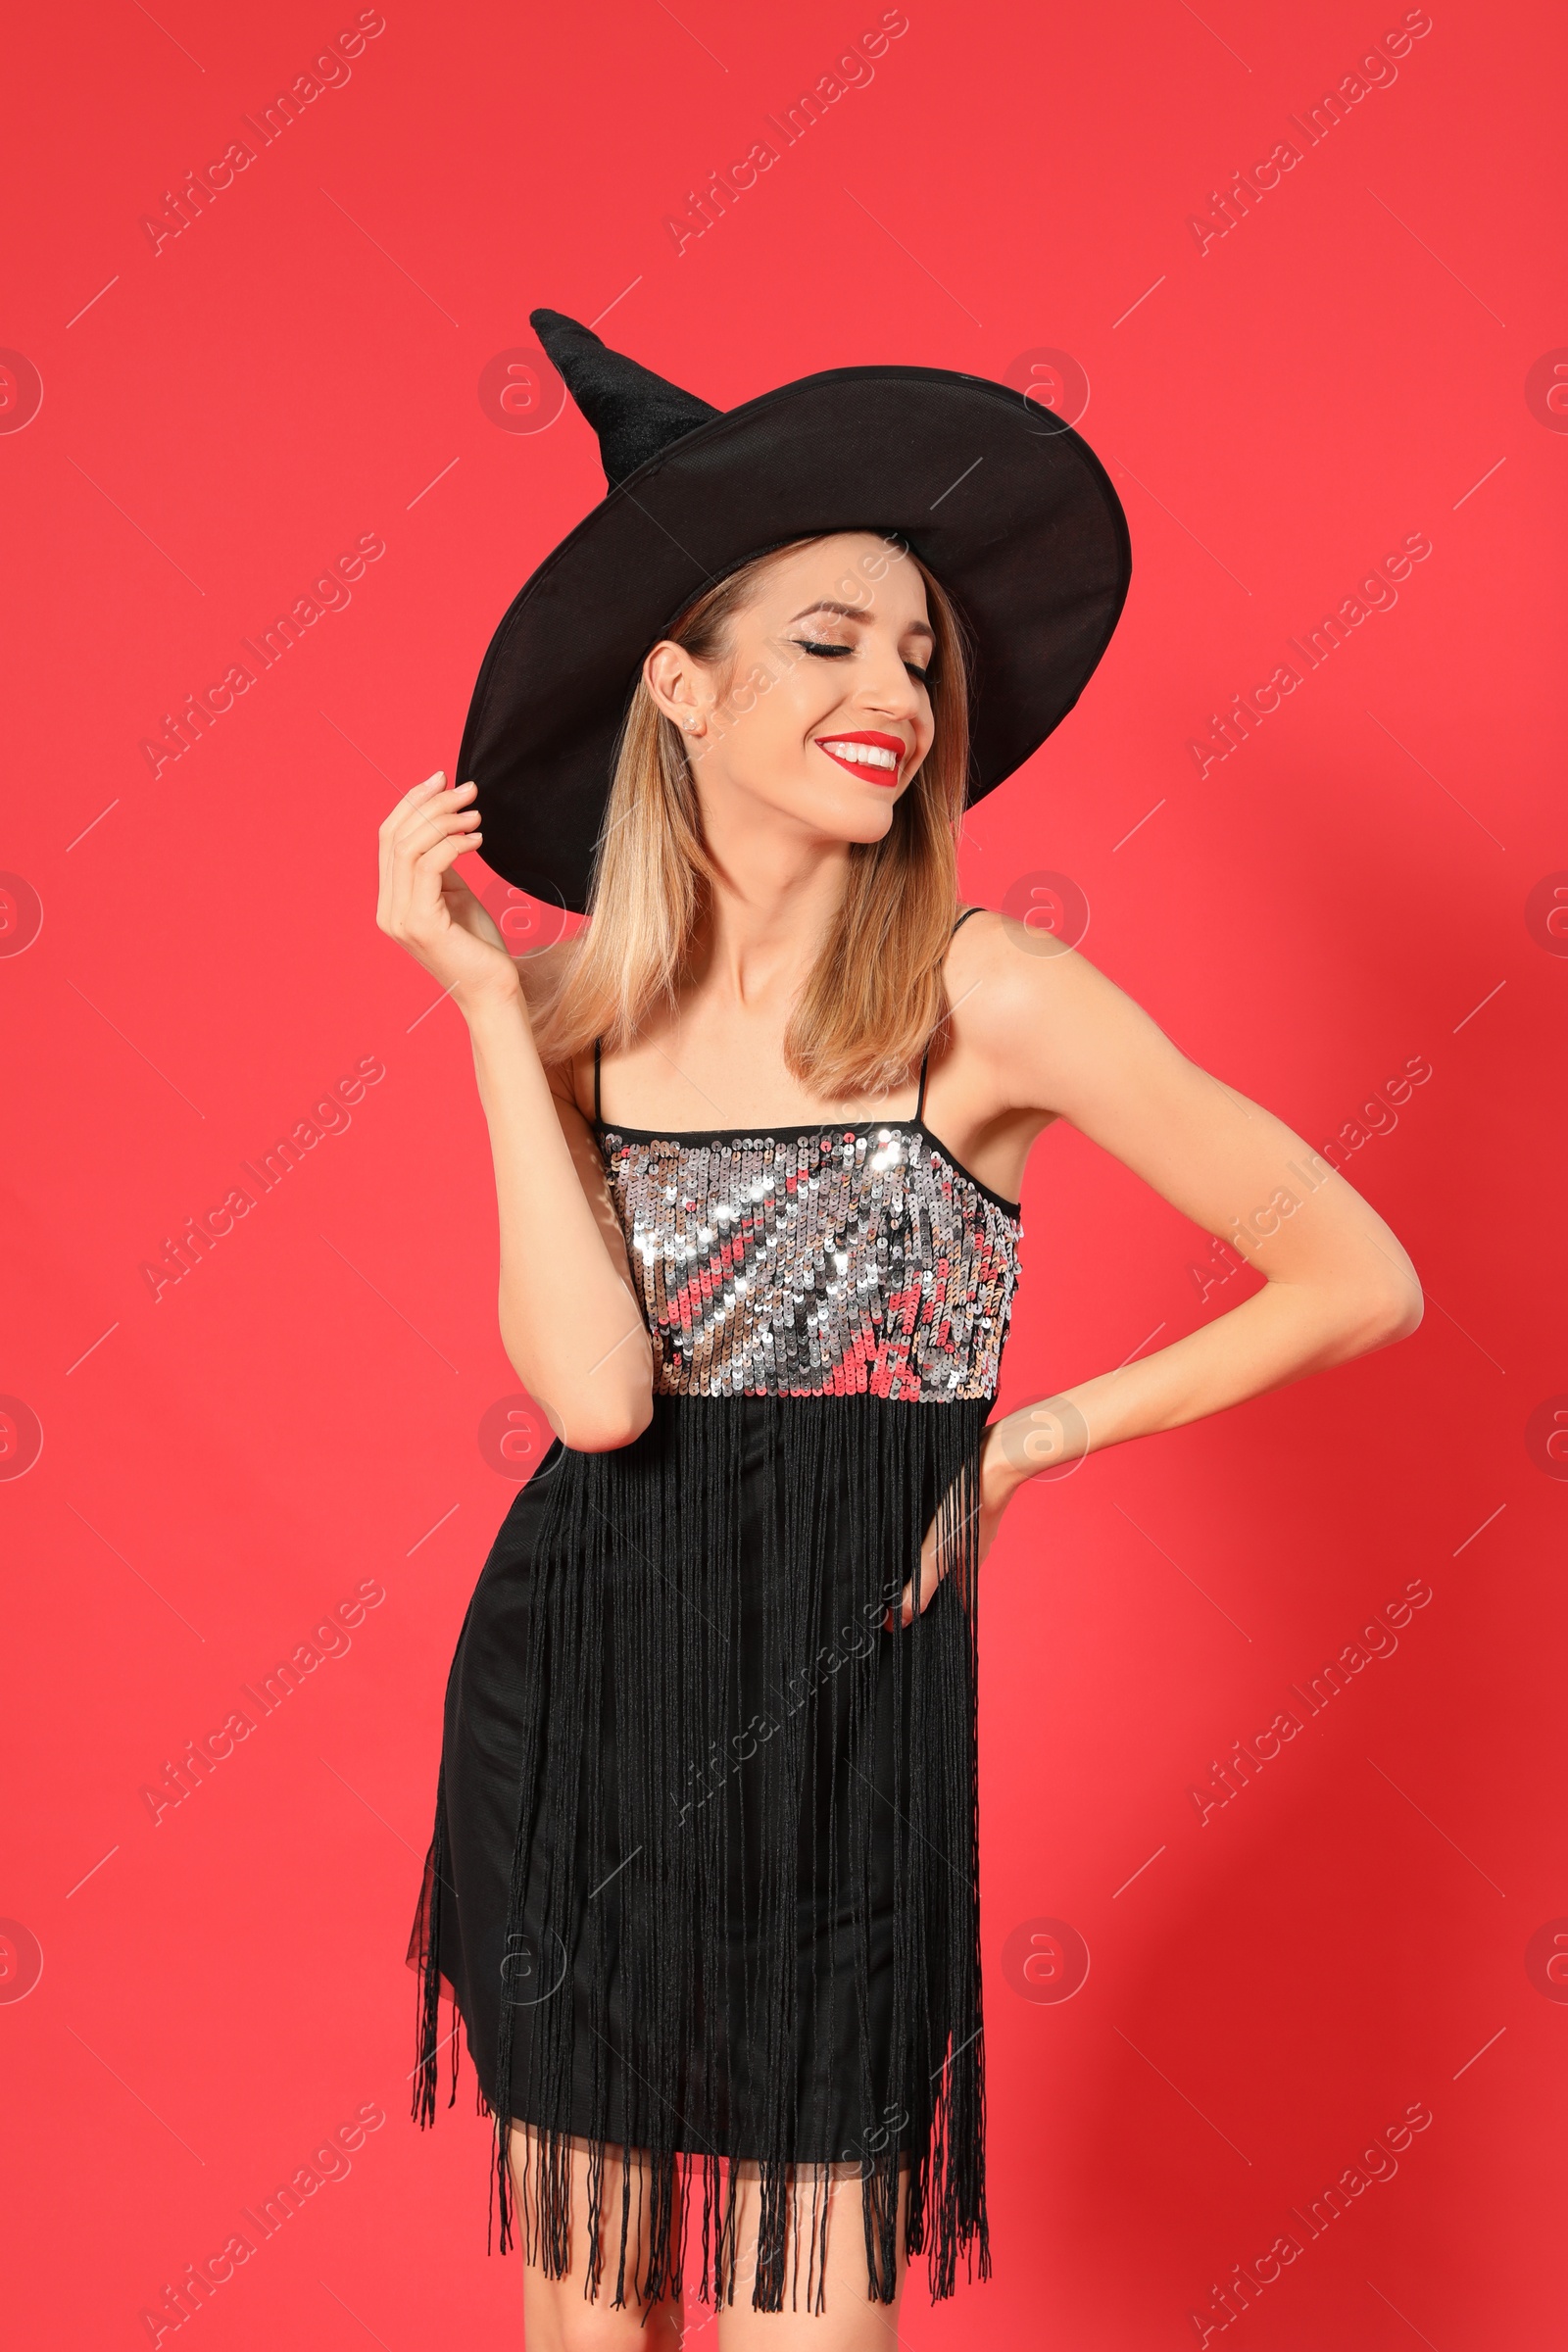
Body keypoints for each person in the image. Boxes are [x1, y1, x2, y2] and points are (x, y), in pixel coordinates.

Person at [379, 312, 1422, 2348]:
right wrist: (486, 1014)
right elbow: (593, 1401)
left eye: (920, 655)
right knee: (586, 2322)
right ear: (677, 686)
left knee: (806, 2307)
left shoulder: (990, 993)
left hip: (835, 1728)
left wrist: (1027, 1443)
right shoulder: (579, 1022)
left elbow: (1356, 1274)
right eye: (832, 641)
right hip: (570, 1698)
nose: (896, 693)